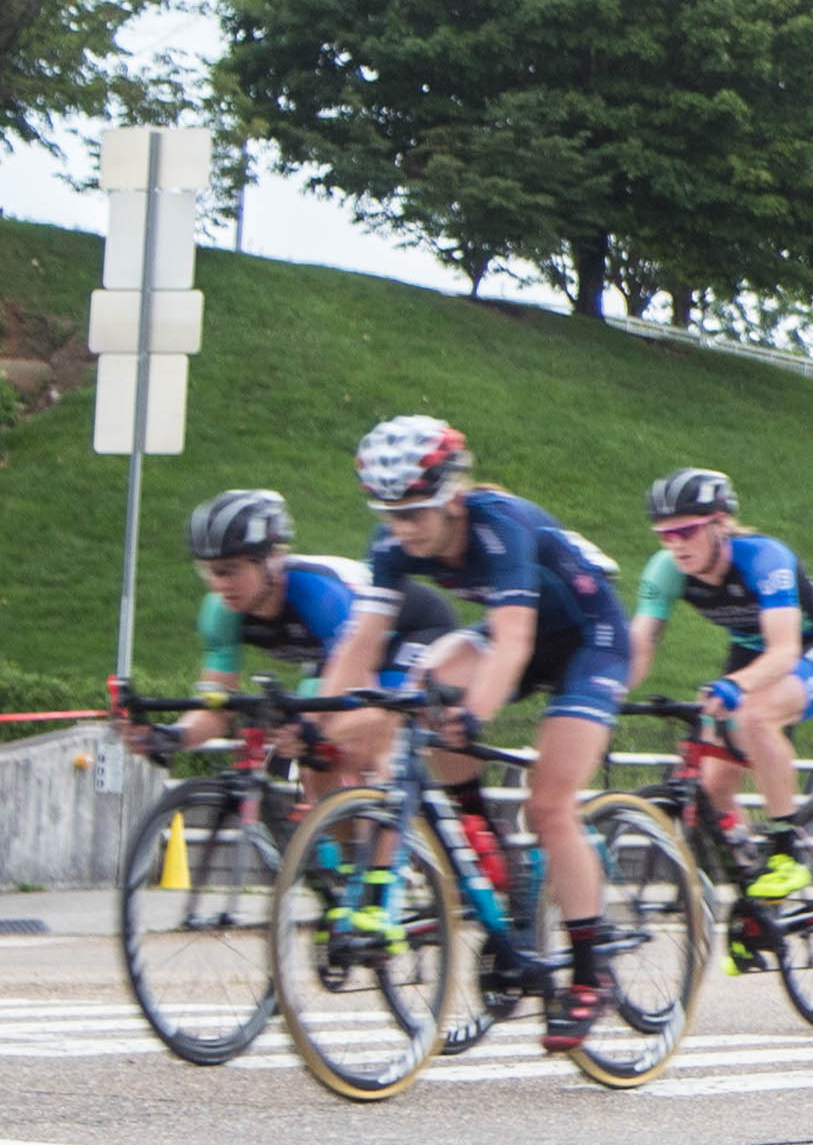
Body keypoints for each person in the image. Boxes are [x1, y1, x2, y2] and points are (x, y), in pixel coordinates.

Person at [320, 417, 632, 1051]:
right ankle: (486, 847)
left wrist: (472, 715)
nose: (401, 530)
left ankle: (590, 967)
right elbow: (360, 640)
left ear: (450, 497)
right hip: (513, 635)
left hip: (587, 640)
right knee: (417, 686)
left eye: (413, 514)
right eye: (388, 514)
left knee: (549, 806)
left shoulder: (500, 525)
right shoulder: (393, 544)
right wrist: (320, 720)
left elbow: (512, 644)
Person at [625, 469, 813, 941]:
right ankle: (753, 890)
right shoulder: (664, 570)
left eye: (687, 530)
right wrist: (604, 693)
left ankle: (787, 854)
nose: (676, 544)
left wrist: (738, 686)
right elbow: (641, 644)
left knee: (755, 714)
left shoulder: (765, 558)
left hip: (812, 647)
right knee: (713, 788)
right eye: (665, 534)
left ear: (720, 524)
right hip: (750, 653)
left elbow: (785, 652)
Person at [142, 488, 453, 786]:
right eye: (210, 571)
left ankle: (395, 827)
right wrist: (172, 736)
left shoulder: (319, 597)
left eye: (230, 569)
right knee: (314, 765)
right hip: (336, 652)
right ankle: (330, 840)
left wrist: (310, 728)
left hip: (413, 630)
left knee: (363, 743)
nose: (219, 584)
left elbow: (361, 696)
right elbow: (217, 710)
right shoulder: (221, 611)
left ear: (271, 561)